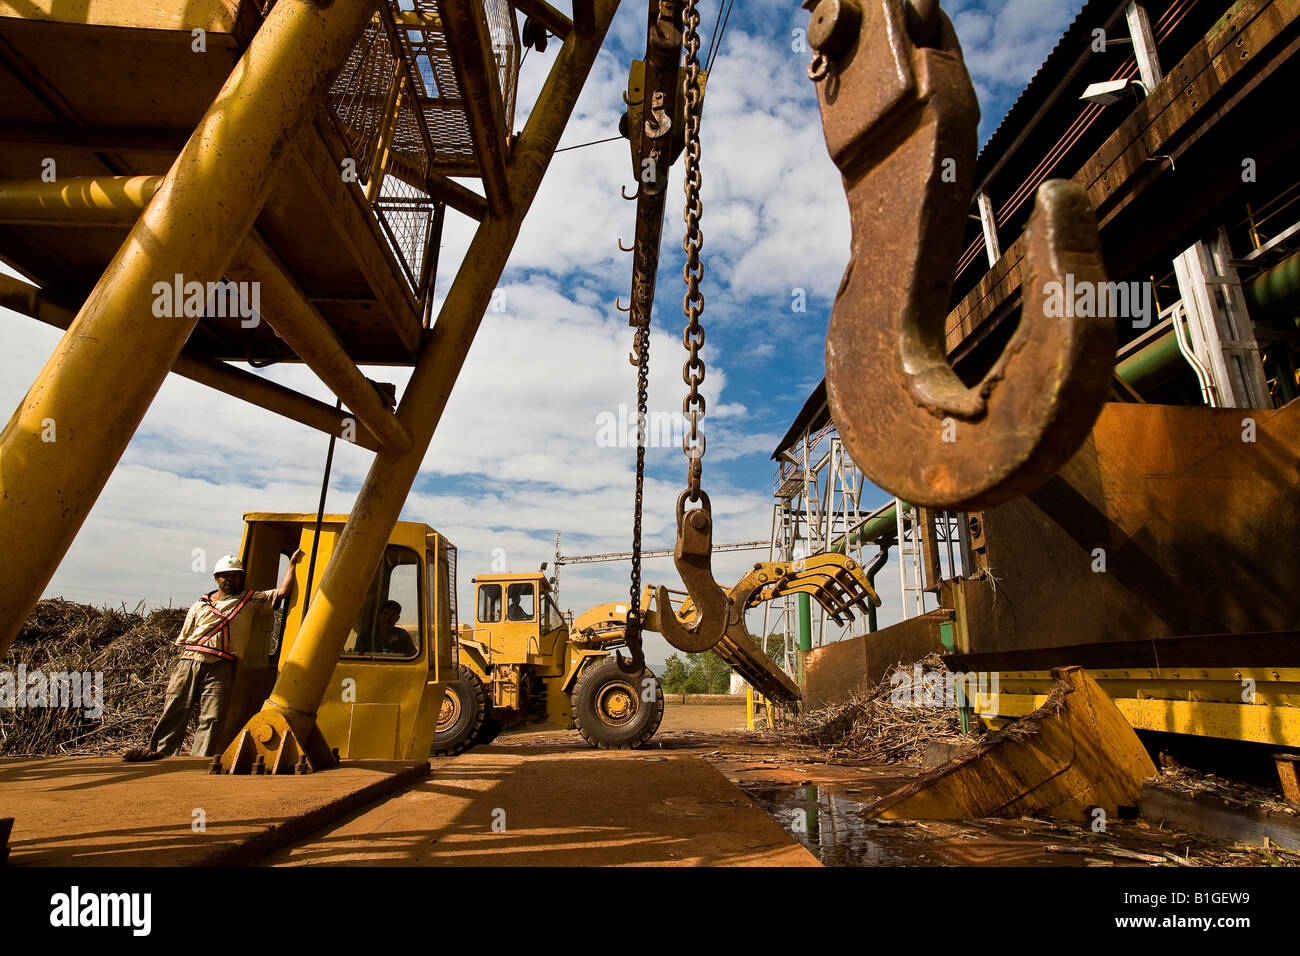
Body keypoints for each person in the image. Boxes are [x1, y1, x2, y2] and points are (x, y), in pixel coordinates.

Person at [125, 549, 303, 760]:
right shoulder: (199, 604)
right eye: (225, 575)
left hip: (222, 665)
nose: (230, 579)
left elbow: (282, 592)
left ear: (240, 578)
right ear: (217, 578)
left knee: (212, 716)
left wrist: (291, 565)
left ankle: (199, 760)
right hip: (190, 660)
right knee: (175, 708)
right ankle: (160, 755)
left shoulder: (249, 601)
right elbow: (185, 637)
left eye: (235, 575)